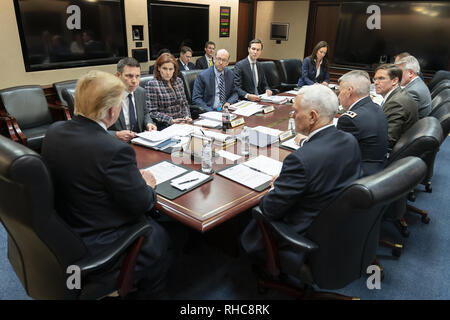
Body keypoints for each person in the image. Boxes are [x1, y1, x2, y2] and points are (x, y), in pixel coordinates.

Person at [41, 70, 170, 299]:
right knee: (161, 235)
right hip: (100, 240)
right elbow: (143, 205)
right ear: (113, 110)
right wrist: (147, 184)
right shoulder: (114, 150)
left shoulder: (53, 132)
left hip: (64, 227)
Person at [241, 85, 361, 272]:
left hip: (304, 234)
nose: (292, 115)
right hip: (337, 228)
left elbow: (269, 209)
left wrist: (276, 187)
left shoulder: (301, 160)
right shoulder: (350, 141)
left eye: (295, 111)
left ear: (313, 116)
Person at [337, 70, 388, 177]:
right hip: (379, 167)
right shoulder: (376, 107)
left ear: (349, 91)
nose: (338, 96)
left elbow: (336, 154)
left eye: (340, 91)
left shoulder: (349, 120)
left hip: (359, 174)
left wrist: (304, 141)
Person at [109, 57, 157, 142]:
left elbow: (146, 113)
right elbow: (94, 130)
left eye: (137, 76)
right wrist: (116, 135)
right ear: (118, 75)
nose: (134, 81)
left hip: (140, 141)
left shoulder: (141, 92)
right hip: (116, 144)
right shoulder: (107, 96)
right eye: (129, 76)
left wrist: (149, 123)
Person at [374, 64, 418, 148]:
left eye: (381, 78)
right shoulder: (397, 95)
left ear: (394, 81)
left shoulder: (396, 103)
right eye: (375, 79)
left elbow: (388, 139)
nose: (376, 83)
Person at [146, 53, 192, 129]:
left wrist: (187, 116)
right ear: (159, 68)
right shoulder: (152, 84)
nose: (168, 73)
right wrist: (171, 120)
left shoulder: (178, 81)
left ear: (174, 70)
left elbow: (184, 104)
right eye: (164, 68)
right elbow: (152, 112)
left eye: (171, 69)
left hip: (183, 123)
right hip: (166, 126)